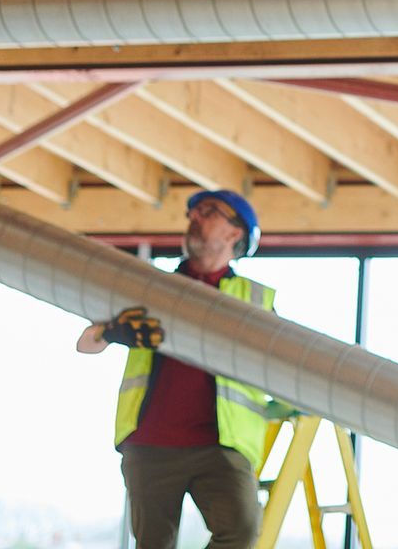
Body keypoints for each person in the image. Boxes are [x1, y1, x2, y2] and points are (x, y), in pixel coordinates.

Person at [77, 189, 278, 549]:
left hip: (221, 445)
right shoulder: (151, 285)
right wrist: (111, 331)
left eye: (208, 211)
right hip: (151, 442)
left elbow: (282, 365)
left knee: (242, 533)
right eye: (193, 212)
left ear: (235, 234)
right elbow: (85, 343)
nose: (194, 217)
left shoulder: (255, 300)